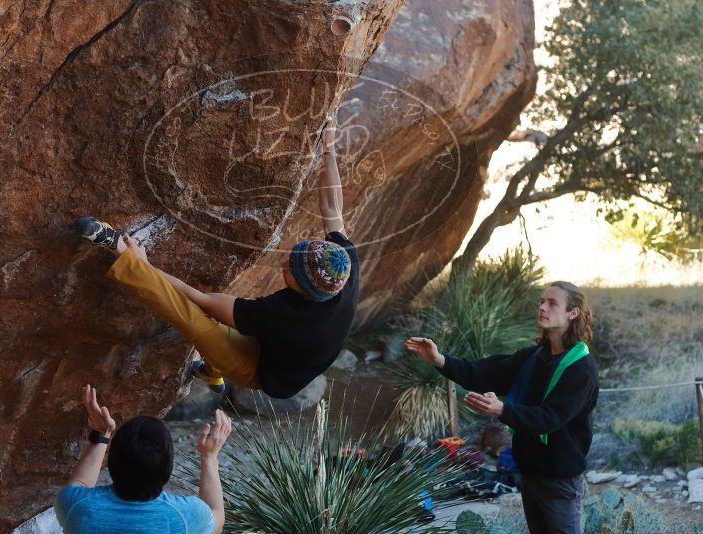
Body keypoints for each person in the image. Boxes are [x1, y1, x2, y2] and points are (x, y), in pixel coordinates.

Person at [74, 115, 359, 398]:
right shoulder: (342, 263)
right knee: (228, 331)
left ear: (306, 293)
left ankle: (118, 251)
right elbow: (333, 209)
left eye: (291, 272)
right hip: (282, 348)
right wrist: (328, 148)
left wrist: (142, 264)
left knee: (198, 325)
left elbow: (200, 301)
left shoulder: (286, 317)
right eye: (292, 256)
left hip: (260, 371)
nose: (284, 264)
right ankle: (212, 372)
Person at [405, 281, 599, 534]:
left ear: (572, 313)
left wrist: (501, 409)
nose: (542, 307)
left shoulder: (581, 368)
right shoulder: (533, 358)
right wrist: (439, 360)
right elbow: (484, 372)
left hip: (559, 481)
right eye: (541, 301)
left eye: (552, 303)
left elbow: (548, 418)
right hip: (529, 473)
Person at [54, 385, 231, 534]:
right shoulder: (186, 516)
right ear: (166, 471)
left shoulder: (76, 507)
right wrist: (209, 456)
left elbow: (79, 484)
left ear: (112, 463)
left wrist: (102, 433)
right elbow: (217, 516)